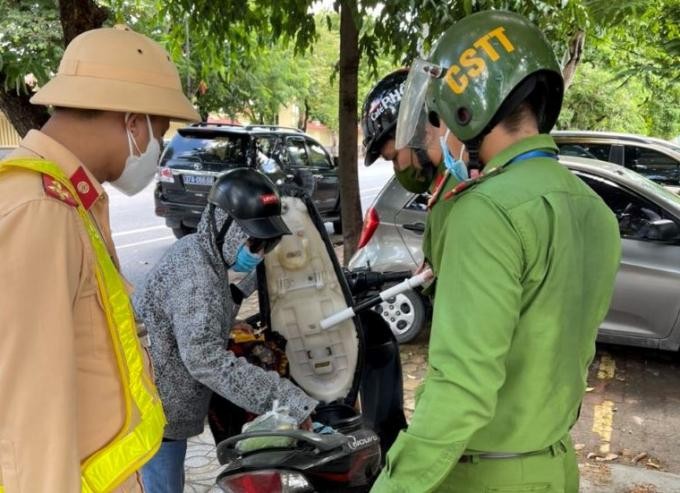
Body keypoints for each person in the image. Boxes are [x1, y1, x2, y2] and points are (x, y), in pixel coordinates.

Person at [371, 10, 621, 492]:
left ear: (466, 107)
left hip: (485, 474)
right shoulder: (596, 212)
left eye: (440, 115)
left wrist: (395, 485)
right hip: (554, 466)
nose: (438, 129)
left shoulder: (485, 214)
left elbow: (462, 386)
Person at [0, 26, 198, 492]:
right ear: (132, 123)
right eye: (159, 133)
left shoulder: (69, 200)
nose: (157, 150)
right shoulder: (40, 210)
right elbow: (29, 417)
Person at [134, 168, 318, 493]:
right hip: (155, 412)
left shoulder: (202, 252)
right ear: (224, 225)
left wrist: (234, 308)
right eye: (254, 241)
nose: (259, 251)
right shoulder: (197, 277)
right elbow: (206, 361)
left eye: (267, 243)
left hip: (163, 405)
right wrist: (286, 399)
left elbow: (196, 316)